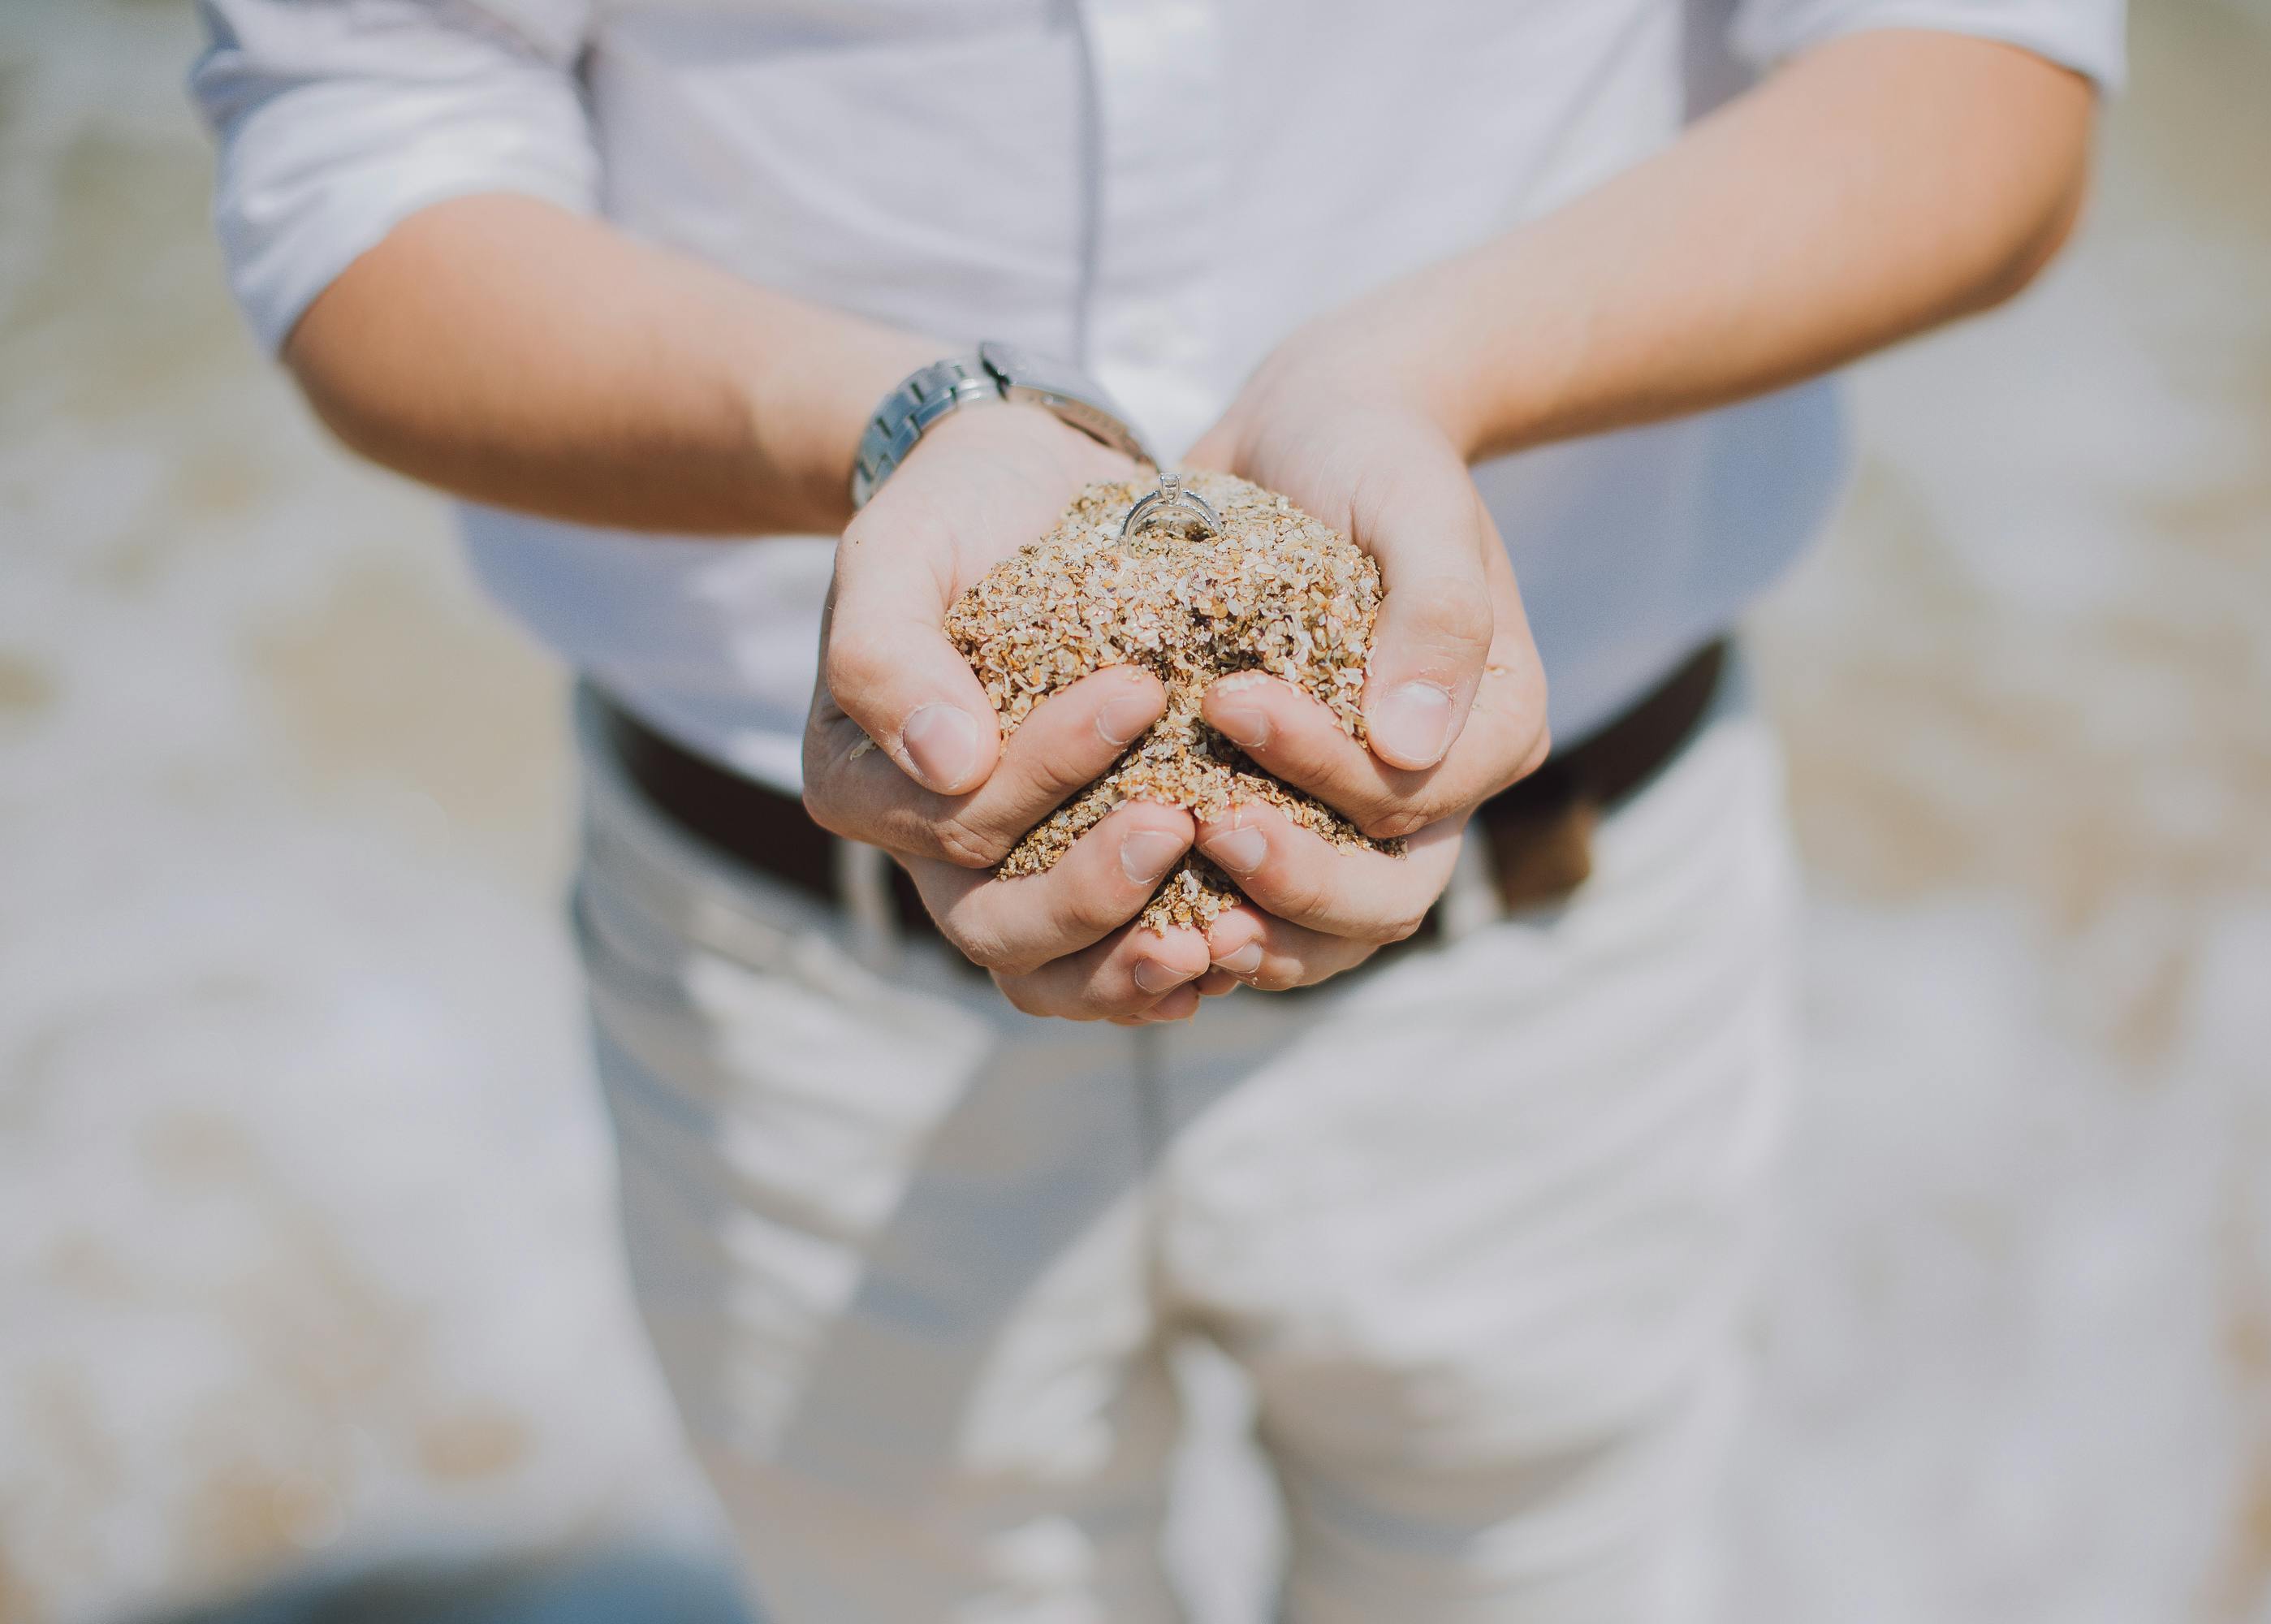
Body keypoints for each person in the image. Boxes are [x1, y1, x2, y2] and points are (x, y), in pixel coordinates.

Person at [192, 1, 2118, 1618]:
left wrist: (1417, 377)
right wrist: (898, 424)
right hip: (798, 985)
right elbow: (366, 147)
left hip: (1550, 953)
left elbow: (1981, 78)